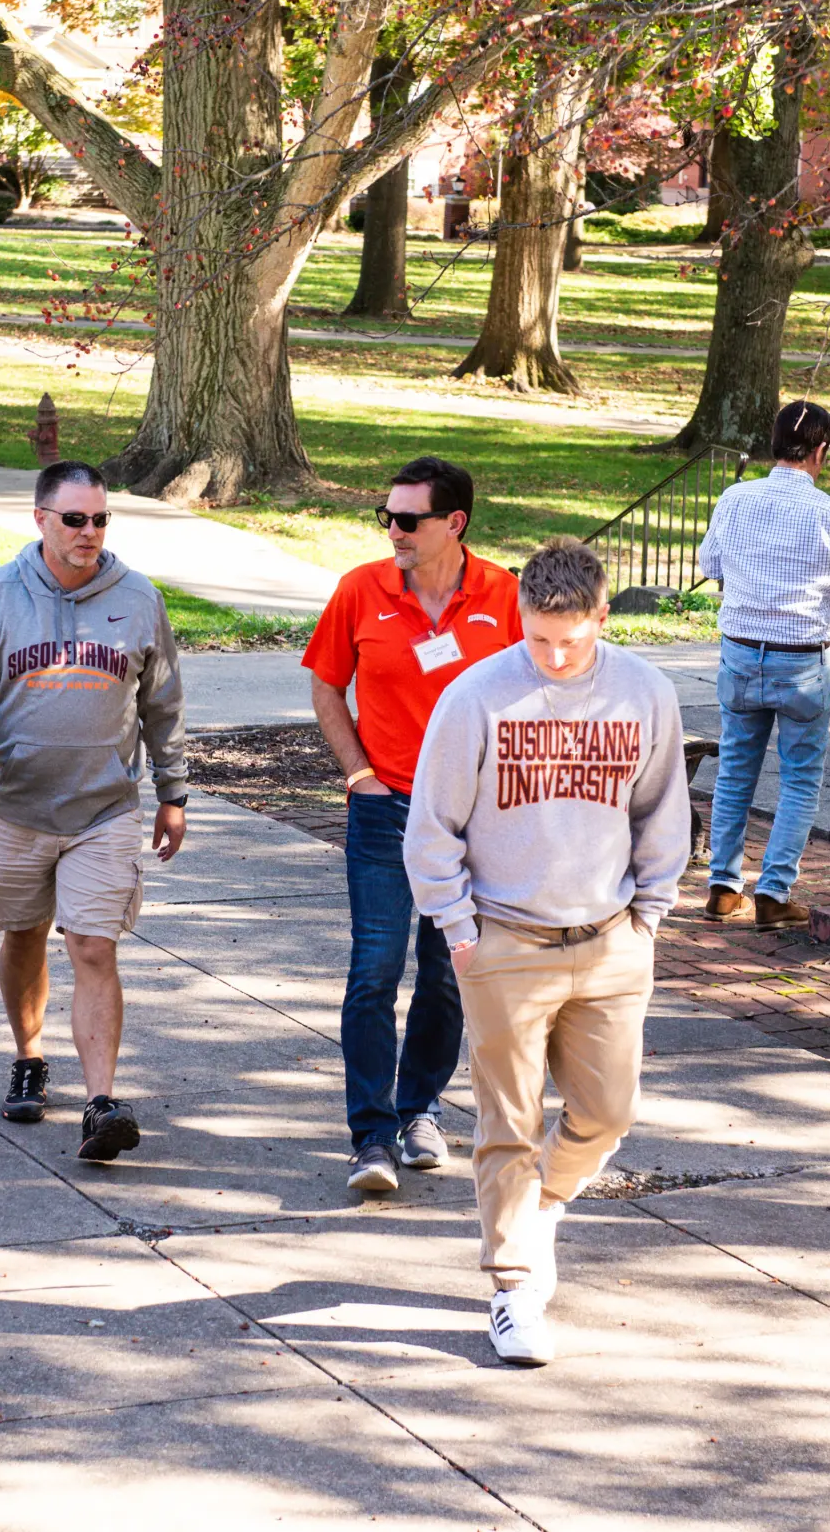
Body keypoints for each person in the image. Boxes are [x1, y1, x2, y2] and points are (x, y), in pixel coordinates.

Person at [405, 537, 690, 1368]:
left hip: (610, 940)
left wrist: (651, 918)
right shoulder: (476, 697)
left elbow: (662, 813)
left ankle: (544, 1207)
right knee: (509, 1121)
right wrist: (459, 930)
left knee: (607, 1112)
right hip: (504, 938)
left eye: (572, 638)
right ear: (519, 618)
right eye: (537, 638)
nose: (554, 656)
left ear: (603, 615)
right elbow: (432, 829)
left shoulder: (645, 692)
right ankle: (512, 1286)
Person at [0, 461, 190, 1165]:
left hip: (104, 809)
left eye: (100, 519)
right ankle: (30, 1056)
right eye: (75, 519)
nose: (90, 531)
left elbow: (163, 706)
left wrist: (173, 792)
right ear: (40, 519)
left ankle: (102, 1103)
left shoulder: (137, 597)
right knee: (24, 935)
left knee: (94, 944)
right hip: (15, 806)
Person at [302, 456, 522, 1195]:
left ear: (453, 523)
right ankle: (370, 1134)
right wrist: (358, 773)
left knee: (448, 973)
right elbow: (326, 683)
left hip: (473, 819)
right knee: (374, 970)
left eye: (406, 519)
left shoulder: (505, 596)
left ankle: (419, 1107)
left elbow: (539, 690)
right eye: (386, 516)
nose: (391, 530)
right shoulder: (360, 590)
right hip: (385, 807)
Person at [694, 400, 830, 932]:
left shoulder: (735, 499)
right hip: (800, 660)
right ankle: (774, 891)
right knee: (799, 781)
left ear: (774, 443)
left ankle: (723, 887)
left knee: (734, 773)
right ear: (820, 452)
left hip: (740, 650)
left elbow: (709, 564)